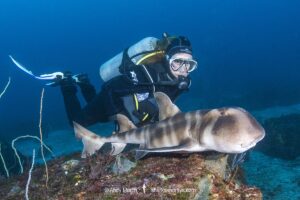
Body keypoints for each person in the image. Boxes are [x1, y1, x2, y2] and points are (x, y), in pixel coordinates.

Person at [53, 33, 198, 128]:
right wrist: (119, 121)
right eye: (177, 62)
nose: (183, 69)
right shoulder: (144, 74)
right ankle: (67, 85)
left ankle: (84, 83)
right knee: (77, 124)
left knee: (102, 117)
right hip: (110, 99)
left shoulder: (182, 83)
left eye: (189, 64)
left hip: (131, 107)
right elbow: (109, 89)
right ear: (167, 60)